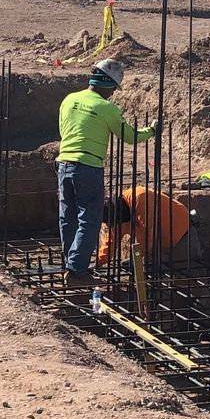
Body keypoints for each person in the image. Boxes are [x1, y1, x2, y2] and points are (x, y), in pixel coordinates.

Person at [57, 58, 158, 283]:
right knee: (89, 219)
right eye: (113, 88)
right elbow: (129, 136)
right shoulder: (106, 108)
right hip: (88, 167)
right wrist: (151, 131)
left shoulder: (69, 99)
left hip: (64, 163)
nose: (113, 93)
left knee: (68, 217)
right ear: (107, 83)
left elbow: (64, 130)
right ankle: (76, 271)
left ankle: (71, 263)